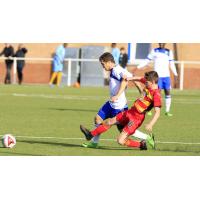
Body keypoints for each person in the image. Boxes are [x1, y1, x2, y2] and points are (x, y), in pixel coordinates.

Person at [82, 52, 155, 149]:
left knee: (123, 131)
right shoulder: (114, 70)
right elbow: (131, 77)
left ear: (108, 62)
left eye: (103, 64)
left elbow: (125, 80)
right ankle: (94, 143)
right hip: (111, 104)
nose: (102, 66)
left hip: (119, 107)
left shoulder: (117, 70)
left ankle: (146, 139)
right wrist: (140, 90)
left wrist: (117, 95)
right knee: (98, 119)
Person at [137, 43, 178, 117]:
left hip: (166, 76)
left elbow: (172, 64)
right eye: (160, 42)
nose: (161, 43)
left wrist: (175, 74)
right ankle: (148, 109)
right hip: (157, 77)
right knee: (155, 93)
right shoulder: (154, 51)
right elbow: (147, 60)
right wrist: (138, 66)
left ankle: (167, 111)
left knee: (167, 92)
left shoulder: (169, 52)